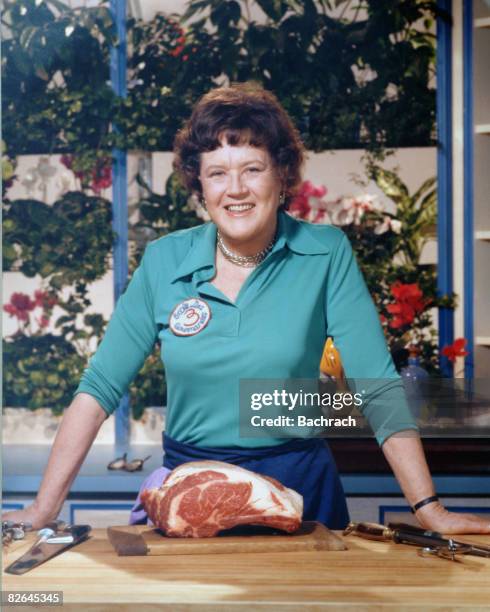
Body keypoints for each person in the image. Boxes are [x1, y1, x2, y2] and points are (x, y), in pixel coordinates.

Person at [3, 83, 489, 534]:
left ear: (281, 176)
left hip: (301, 494)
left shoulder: (325, 253)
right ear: (201, 187)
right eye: (217, 173)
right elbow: (99, 389)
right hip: (190, 494)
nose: (235, 189)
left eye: (251, 169)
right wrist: (44, 508)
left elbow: (376, 384)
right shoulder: (163, 261)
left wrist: (430, 509)